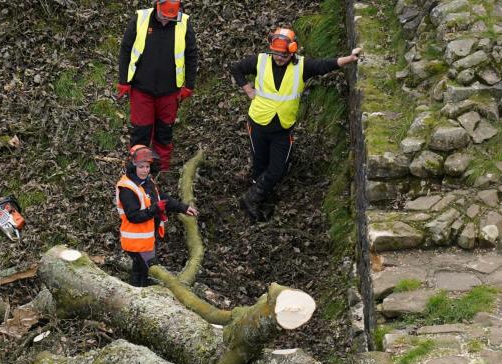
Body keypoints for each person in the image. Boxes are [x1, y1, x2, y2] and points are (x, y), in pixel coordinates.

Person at [230, 27, 361, 221]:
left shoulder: (302, 66)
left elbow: (324, 65)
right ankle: (256, 202)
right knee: (259, 165)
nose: (279, 58)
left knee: (277, 168)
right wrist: (248, 90)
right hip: (257, 123)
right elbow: (236, 68)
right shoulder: (260, 60)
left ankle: (251, 197)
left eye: (283, 55)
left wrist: (349, 59)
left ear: (292, 51)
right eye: (276, 54)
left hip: (282, 128)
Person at [117, 0, 198, 172]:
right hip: (141, 88)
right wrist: (123, 81)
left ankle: (161, 171)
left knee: (164, 132)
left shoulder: (184, 23)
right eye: (164, 15)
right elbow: (125, 49)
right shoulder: (140, 19)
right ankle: (137, 170)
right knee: (141, 132)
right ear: (157, 5)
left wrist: (189, 85)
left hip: (169, 91)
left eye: (171, 16)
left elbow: (191, 55)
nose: (166, 20)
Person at [116, 144, 198, 287]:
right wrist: (154, 209)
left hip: (147, 239)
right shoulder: (127, 188)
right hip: (136, 241)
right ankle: (139, 298)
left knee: (141, 271)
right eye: (141, 167)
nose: (145, 170)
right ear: (133, 165)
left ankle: (138, 295)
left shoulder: (148, 181)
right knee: (149, 271)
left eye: (147, 167)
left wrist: (183, 208)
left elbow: (162, 198)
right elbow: (133, 216)